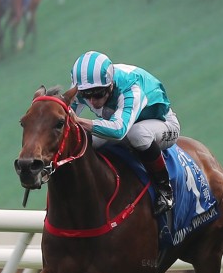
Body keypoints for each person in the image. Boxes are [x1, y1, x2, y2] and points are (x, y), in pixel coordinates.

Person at [69, 50, 181, 215]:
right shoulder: (84, 86)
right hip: (122, 122)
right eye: (86, 95)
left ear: (110, 85)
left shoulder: (130, 87)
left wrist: (79, 121)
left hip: (163, 124)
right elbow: (63, 119)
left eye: (98, 94)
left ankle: (164, 189)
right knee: (87, 141)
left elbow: (119, 131)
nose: (92, 101)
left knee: (137, 134)